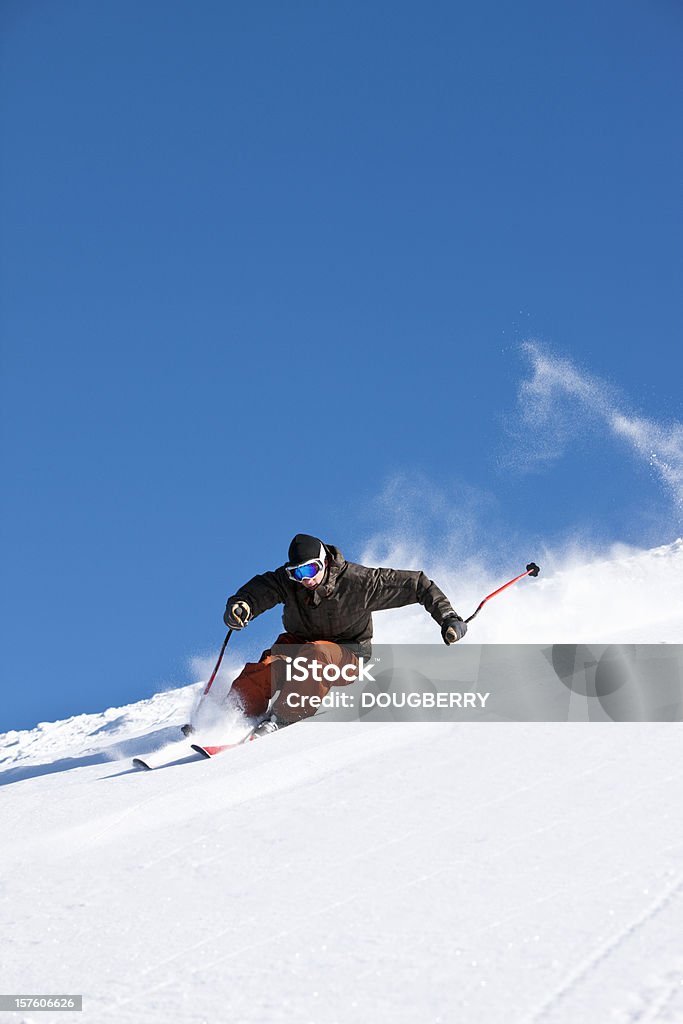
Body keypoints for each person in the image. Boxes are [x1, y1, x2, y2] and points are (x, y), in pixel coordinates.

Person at [223, 533, 467, 737]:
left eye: (310, 569)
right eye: (297, 573)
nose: (305, 580)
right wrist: (243, 605)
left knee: (317, 654)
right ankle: (232, 713)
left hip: (347, 653)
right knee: (267, 668)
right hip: (299, 643)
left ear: (325, 562)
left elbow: (417, 585)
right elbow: (263, 589)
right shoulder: (290, 583)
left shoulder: (359, 583)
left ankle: (284, 717)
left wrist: (448, 618)